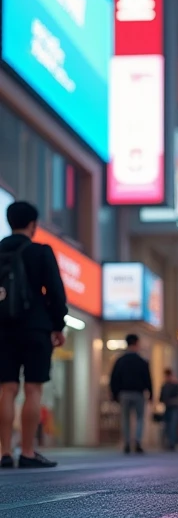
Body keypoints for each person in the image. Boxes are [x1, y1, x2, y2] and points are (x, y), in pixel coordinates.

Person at [0, 201, 67, 469]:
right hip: (36, 328)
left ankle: (4, 452)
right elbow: (55, 292)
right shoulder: (40, 251)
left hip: (3, 329)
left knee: (6, 389)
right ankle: (27, 451)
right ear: (33, 225)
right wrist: (58, 325)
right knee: (33, 388)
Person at [110, 333, 153, 454]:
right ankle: (138, 441)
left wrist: (114, 393)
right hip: (138, 393)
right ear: (136, 343)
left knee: (125, 418)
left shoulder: (120, 360)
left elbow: (114, 378)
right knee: (140, 418)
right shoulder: (142, 361)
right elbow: (148, 379)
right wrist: (151, 393)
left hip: (124, 393)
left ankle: (127, 442)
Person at [159, 368, 178, 450]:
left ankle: (172, 442)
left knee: (172, 425)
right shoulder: (165, 385)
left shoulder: (174, 385)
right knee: (167, 425)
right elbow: (160, 397)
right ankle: (168, 442)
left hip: (173, 407)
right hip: (167, 407)